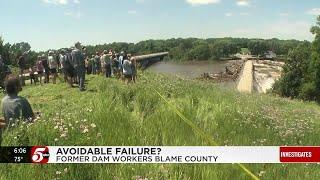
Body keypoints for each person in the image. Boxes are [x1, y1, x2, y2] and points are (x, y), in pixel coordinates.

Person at [0, 75, 34, 144]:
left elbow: (8, 116)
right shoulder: (22, 100)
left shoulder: (3, 100)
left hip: (9, 130)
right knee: (38, 116)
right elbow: (31, 119)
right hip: (22, 132)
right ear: (17, 87)